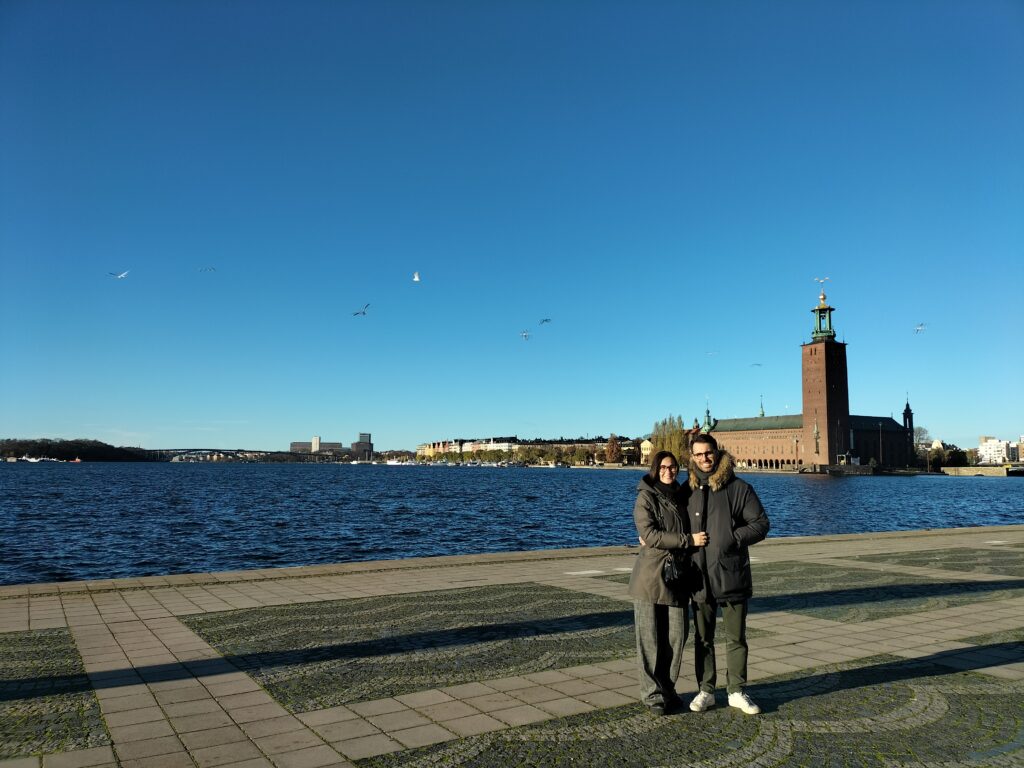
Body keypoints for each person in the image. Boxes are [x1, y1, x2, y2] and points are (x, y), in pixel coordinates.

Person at [684, 432, 769, 715]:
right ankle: (706, 689)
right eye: (699, 454)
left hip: (731, 574)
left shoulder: (738, 488)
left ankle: (736, 690)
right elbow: (670, 521)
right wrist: (648, 537)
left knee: (736, 638)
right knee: (703, 639)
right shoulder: (688, 489)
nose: (704, 459)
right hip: (699, 577)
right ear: (692, 457)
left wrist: (731, 538)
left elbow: (760, 524)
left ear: (717, 453)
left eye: (708, 453)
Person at [627, 450, 707, 715]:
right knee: (649, 640)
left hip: (677, 577)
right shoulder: (645, 497)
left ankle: (668, 689)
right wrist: (688, 541)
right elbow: (649, 534)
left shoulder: (683, 495)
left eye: (672, 467)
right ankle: (652, 696)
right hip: (650, 578)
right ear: (654, 468)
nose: (668, 471)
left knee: (676, 636)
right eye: (663, 467)